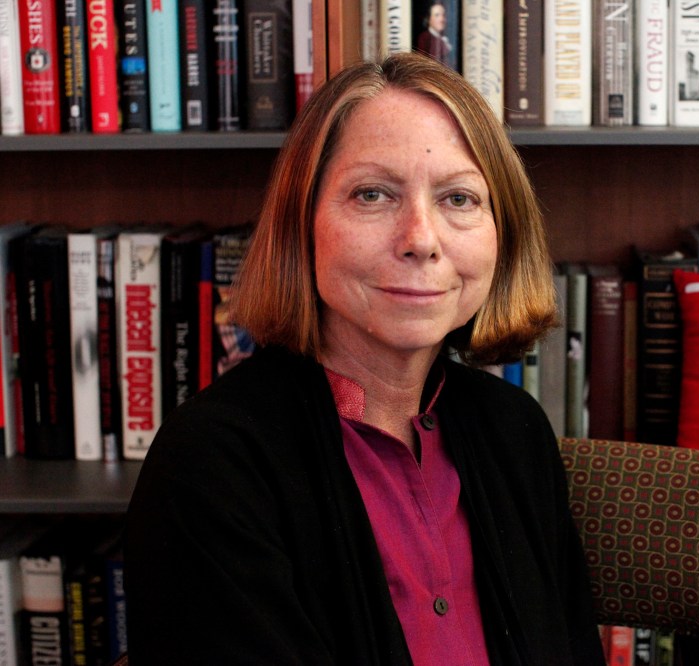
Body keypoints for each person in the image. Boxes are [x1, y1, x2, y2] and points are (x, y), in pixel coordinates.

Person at [124, 52, 605, 665]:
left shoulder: (516, 431)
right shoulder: (212, 464)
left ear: (501, 231)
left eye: (459, 199)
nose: (421, 240)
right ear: (302, 225)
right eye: (372, 194)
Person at [416, 1, 456, 70]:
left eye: (443, 15)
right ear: (429, 19)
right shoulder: (425, 38)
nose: (441, 19)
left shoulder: (446, 38)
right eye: (437, 15)